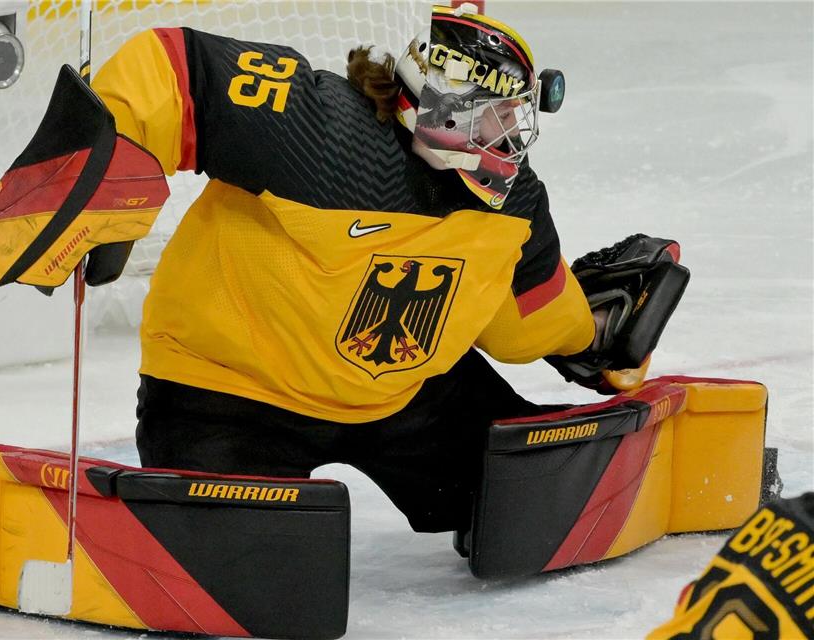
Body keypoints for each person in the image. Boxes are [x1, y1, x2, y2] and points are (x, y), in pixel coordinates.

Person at [88, 4, 599, 534]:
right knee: (252, 562)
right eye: (496, 115)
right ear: (444, 107)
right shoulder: (321, 129)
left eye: (515, 118)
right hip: (228, 397)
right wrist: (99, 172)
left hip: (402, 392)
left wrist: (593, 337)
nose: (509, 137)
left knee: (531, 498)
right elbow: (173, 68)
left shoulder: (514, 199)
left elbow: (528, 310)